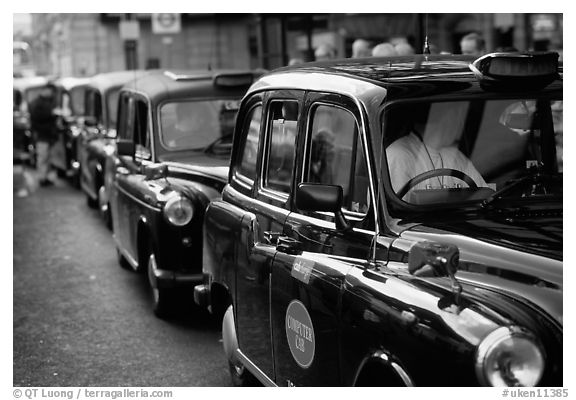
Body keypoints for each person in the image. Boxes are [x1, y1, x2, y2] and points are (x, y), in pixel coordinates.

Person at [386, 102, 486, 200]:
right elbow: (396, 213)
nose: (461, 123)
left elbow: (484, 197)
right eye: (459, 114)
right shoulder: (398, 156)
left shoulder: (456, 156)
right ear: (447, 116)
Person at [29, 83, 59, 186]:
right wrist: (52, 114)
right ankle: (42, 178)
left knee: (47, 157)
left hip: (47, 134)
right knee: (43, 157)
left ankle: (45, 177)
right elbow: (37, 118)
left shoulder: (46, 102)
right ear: (46, 90)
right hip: (42, 134)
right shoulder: (37, 103)